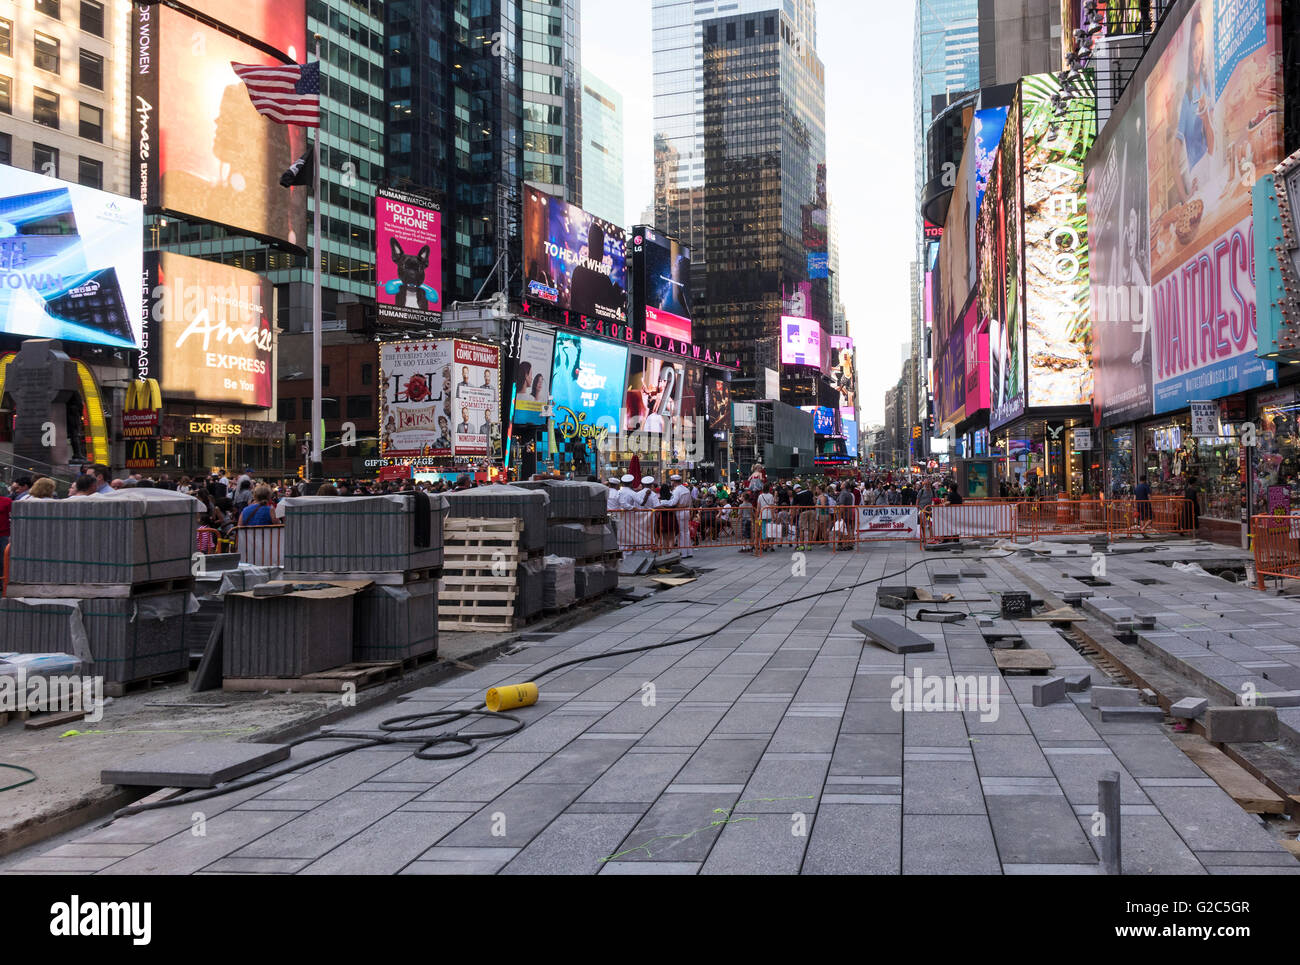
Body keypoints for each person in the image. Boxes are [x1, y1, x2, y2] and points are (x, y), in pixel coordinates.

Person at [667, 473, 693, 557]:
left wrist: (663, 502)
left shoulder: (677, 490)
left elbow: (673, 502)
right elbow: (690, 502)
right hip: (686, 511)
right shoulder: (686, 489)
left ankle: (683, 553)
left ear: (674, 482)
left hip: (680, 512)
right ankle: (689, 552)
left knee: (681, 532)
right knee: (686, 532)